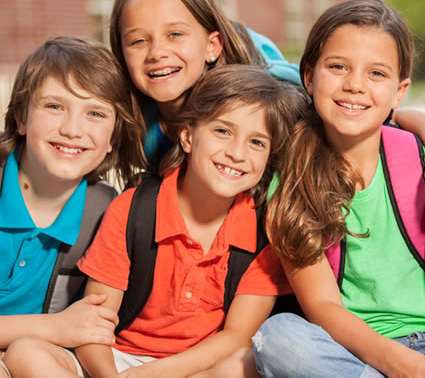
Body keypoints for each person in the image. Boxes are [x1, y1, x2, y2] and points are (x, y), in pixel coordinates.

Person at [4, 64, 295, 378]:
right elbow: (93, 324)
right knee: (25, 351)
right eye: (222, 131)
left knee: (246, 363)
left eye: (257, 143)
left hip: (194, 369)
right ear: (187, 136)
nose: (237, 153)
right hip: (116, 361)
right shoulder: (133, 209)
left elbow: (236, 337)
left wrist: (157, 374)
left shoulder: (264, 233)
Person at [251, 0, 425, 378]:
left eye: (377, 74)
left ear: (400, 90)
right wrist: (404, 365)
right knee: (277, 338)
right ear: (309, 77)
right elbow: (323, 307)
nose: (355, 85)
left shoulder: (418, 154)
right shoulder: (294, 179)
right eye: (338, 67)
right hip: (353, 351)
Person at [0, 36, 147, 378]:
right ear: (21, 117)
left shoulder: (108, 213)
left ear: (113, 138)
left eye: (95, 113)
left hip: (38, 358)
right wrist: (55, 326)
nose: (71, 129)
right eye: (54, 106)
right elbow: (68, 327)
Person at [109, 0, 301, 173]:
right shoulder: (129, 124)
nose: (156, 53)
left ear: (212, 46)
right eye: (138, 41)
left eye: (174, 34)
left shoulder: (270, 114)